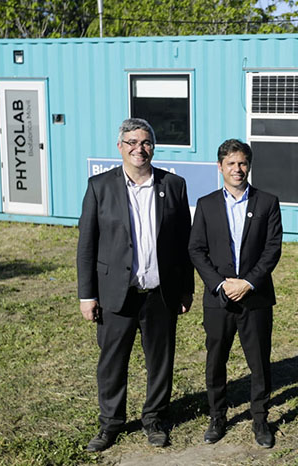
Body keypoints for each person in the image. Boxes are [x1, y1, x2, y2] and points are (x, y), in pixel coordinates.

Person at [77, 118, 194, 452]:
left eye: (144, 142)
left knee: (161, 361)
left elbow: (183, 242)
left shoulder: (174, 185)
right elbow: (86, 245)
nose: (138, 148)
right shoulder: (100, 187)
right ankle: (110, 424)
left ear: (153, 147)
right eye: (131, 142)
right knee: (112, 362)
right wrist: (87, 295)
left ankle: (154, 419)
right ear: (120, 147)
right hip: (117, 293)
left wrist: (186, 289)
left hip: (160, 292)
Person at [188, 139, 282, 448]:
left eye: (242, 163)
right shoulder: (206, 204)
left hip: (254, 297)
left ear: (249, 165)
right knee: (216, 359)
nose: (237, 169)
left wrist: (248, 282)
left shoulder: (267, 202)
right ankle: (217, 416)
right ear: (220, 167)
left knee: (259, 361)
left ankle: (260, 418)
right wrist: (220, 283)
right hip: (218, 298)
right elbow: (196, 250)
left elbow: (272, 250)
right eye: (231, 164)